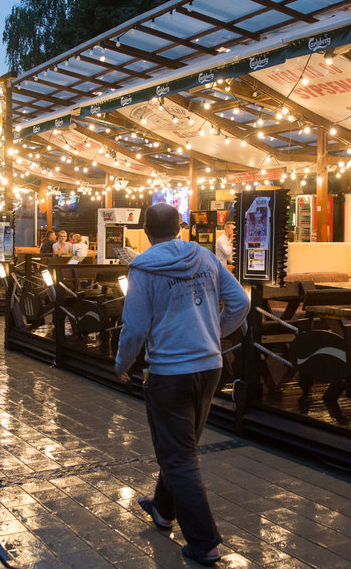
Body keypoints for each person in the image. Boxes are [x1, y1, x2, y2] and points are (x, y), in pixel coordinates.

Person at [115, 203, 248, 566]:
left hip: (170, 372)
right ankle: (162, 509)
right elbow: (240, 301)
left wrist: (122, 364)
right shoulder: (205, 258)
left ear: (145, 230)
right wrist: (213, 333)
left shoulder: (143, 267)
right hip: (210, 367)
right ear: (180, 227)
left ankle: (204, 542)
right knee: (182, 446)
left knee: (179, 455)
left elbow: (136, 327)